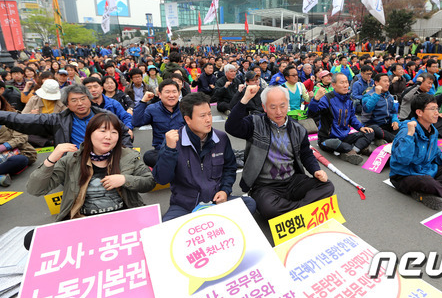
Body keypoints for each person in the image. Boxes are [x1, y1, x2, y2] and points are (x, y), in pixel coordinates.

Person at [225, 85, 334, 220]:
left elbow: (306, 154)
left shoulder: (298, 128)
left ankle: (290, 209)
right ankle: (303, 209)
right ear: (264, 107)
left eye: (282, 106)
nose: (278, 112)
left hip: (293, 181)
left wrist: (316, 171)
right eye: (273, 107)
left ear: (287, 104)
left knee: (327, 186)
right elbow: (231, 127)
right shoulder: (255, 123)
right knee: (268, 207)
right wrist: (245, 98)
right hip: (265, 185)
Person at [27, 113, 155, 222]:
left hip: (122, 217)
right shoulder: (72, 160)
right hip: (83, 221)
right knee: (31, 239)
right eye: (103, 131)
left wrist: (124, 179)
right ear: (90, 133)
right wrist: (51, 159)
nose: (108, 137)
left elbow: (149, 182)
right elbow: (35, 190)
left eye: (114, 132)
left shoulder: (128, 156)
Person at [152, 93, 256, 221]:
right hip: (185, 206)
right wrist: (169, 150)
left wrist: (224, 191)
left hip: (216, 201)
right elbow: (162, 179)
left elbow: (229, 168)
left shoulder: (221, 138)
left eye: (209, 114)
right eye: (202, 116)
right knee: (166, 228)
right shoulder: (173, 141)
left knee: (249, 204)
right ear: (188, 119)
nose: (208, 119)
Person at [0, 84, 132, 148]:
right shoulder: (58, 119)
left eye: (83, 99)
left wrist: (125, 154)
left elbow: (125, 134)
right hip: (74, 162)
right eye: (74, 100)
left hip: (107, 158)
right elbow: (22, 119)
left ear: (89, 99)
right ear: (67, 104)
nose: (80, 103)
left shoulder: (106, 115)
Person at [309, 73, 383, 165]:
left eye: (346, 82)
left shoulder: (348, 99)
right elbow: (312, 113)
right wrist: (315, 99)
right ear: (333, 85)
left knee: (369, 132)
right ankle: (358, 148)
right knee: (336, 143)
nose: (345, 85)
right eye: (342, 82)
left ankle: (353, 151)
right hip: (328, 139)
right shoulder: (327, 98)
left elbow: (352, 117)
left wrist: (360, 127)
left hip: (344, 137)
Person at [131, 79, 184, 167]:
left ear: (179, 93)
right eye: (167, 92)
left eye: (174, 92)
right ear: (159, 95)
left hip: (183, 149)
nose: (171, 95)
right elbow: (136, 122)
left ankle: (173, 165)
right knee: (148, 156)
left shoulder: (186, 108)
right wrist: (143, 101)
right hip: (162, 150)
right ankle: (178, 165)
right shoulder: (152, 109)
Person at [0, 95, 37, 187]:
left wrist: (4, 146)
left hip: (20, 151)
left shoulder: (13, 115)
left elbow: (22, 137)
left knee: (19, 160)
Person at [362, 73, 400, 140]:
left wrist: (395, 120)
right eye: (385, 81)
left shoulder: (390, 96)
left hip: (387, 124)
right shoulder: (368, 95)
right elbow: (367, 109)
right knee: (376, 130)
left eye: (388, 81)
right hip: (374, 125)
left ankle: (394, 139)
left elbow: (394, 112)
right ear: (376, 83)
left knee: (405, 125)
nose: (388, 84)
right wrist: (377, 94)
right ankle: (395, 140)